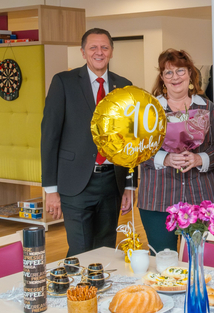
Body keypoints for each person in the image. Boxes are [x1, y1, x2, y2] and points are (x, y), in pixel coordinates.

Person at [41, 28, 138, 257]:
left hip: (112, 182)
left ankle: (98, 292)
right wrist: (51, 190)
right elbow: (49, 137)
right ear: (83, 52)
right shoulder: (63, 82)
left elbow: (132, 140)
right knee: (81, 249)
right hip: (75, 183)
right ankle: (76, 292)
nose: (99, 52)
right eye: (93, 47)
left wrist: (130, 185)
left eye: (104, 47)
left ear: (111, 51)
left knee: (105, 249)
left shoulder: (125, 85)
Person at [138, 48, 214, 254]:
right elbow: (138, 149)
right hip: (157, 198)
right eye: (168, 72)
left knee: (200, 260)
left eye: (180, 71)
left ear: (190, 74)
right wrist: (165, 159)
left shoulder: (207, 107)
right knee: (162, 261)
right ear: (162, 78)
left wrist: (198, 158)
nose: (175, 77)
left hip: (201, 196)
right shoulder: (149, 109)